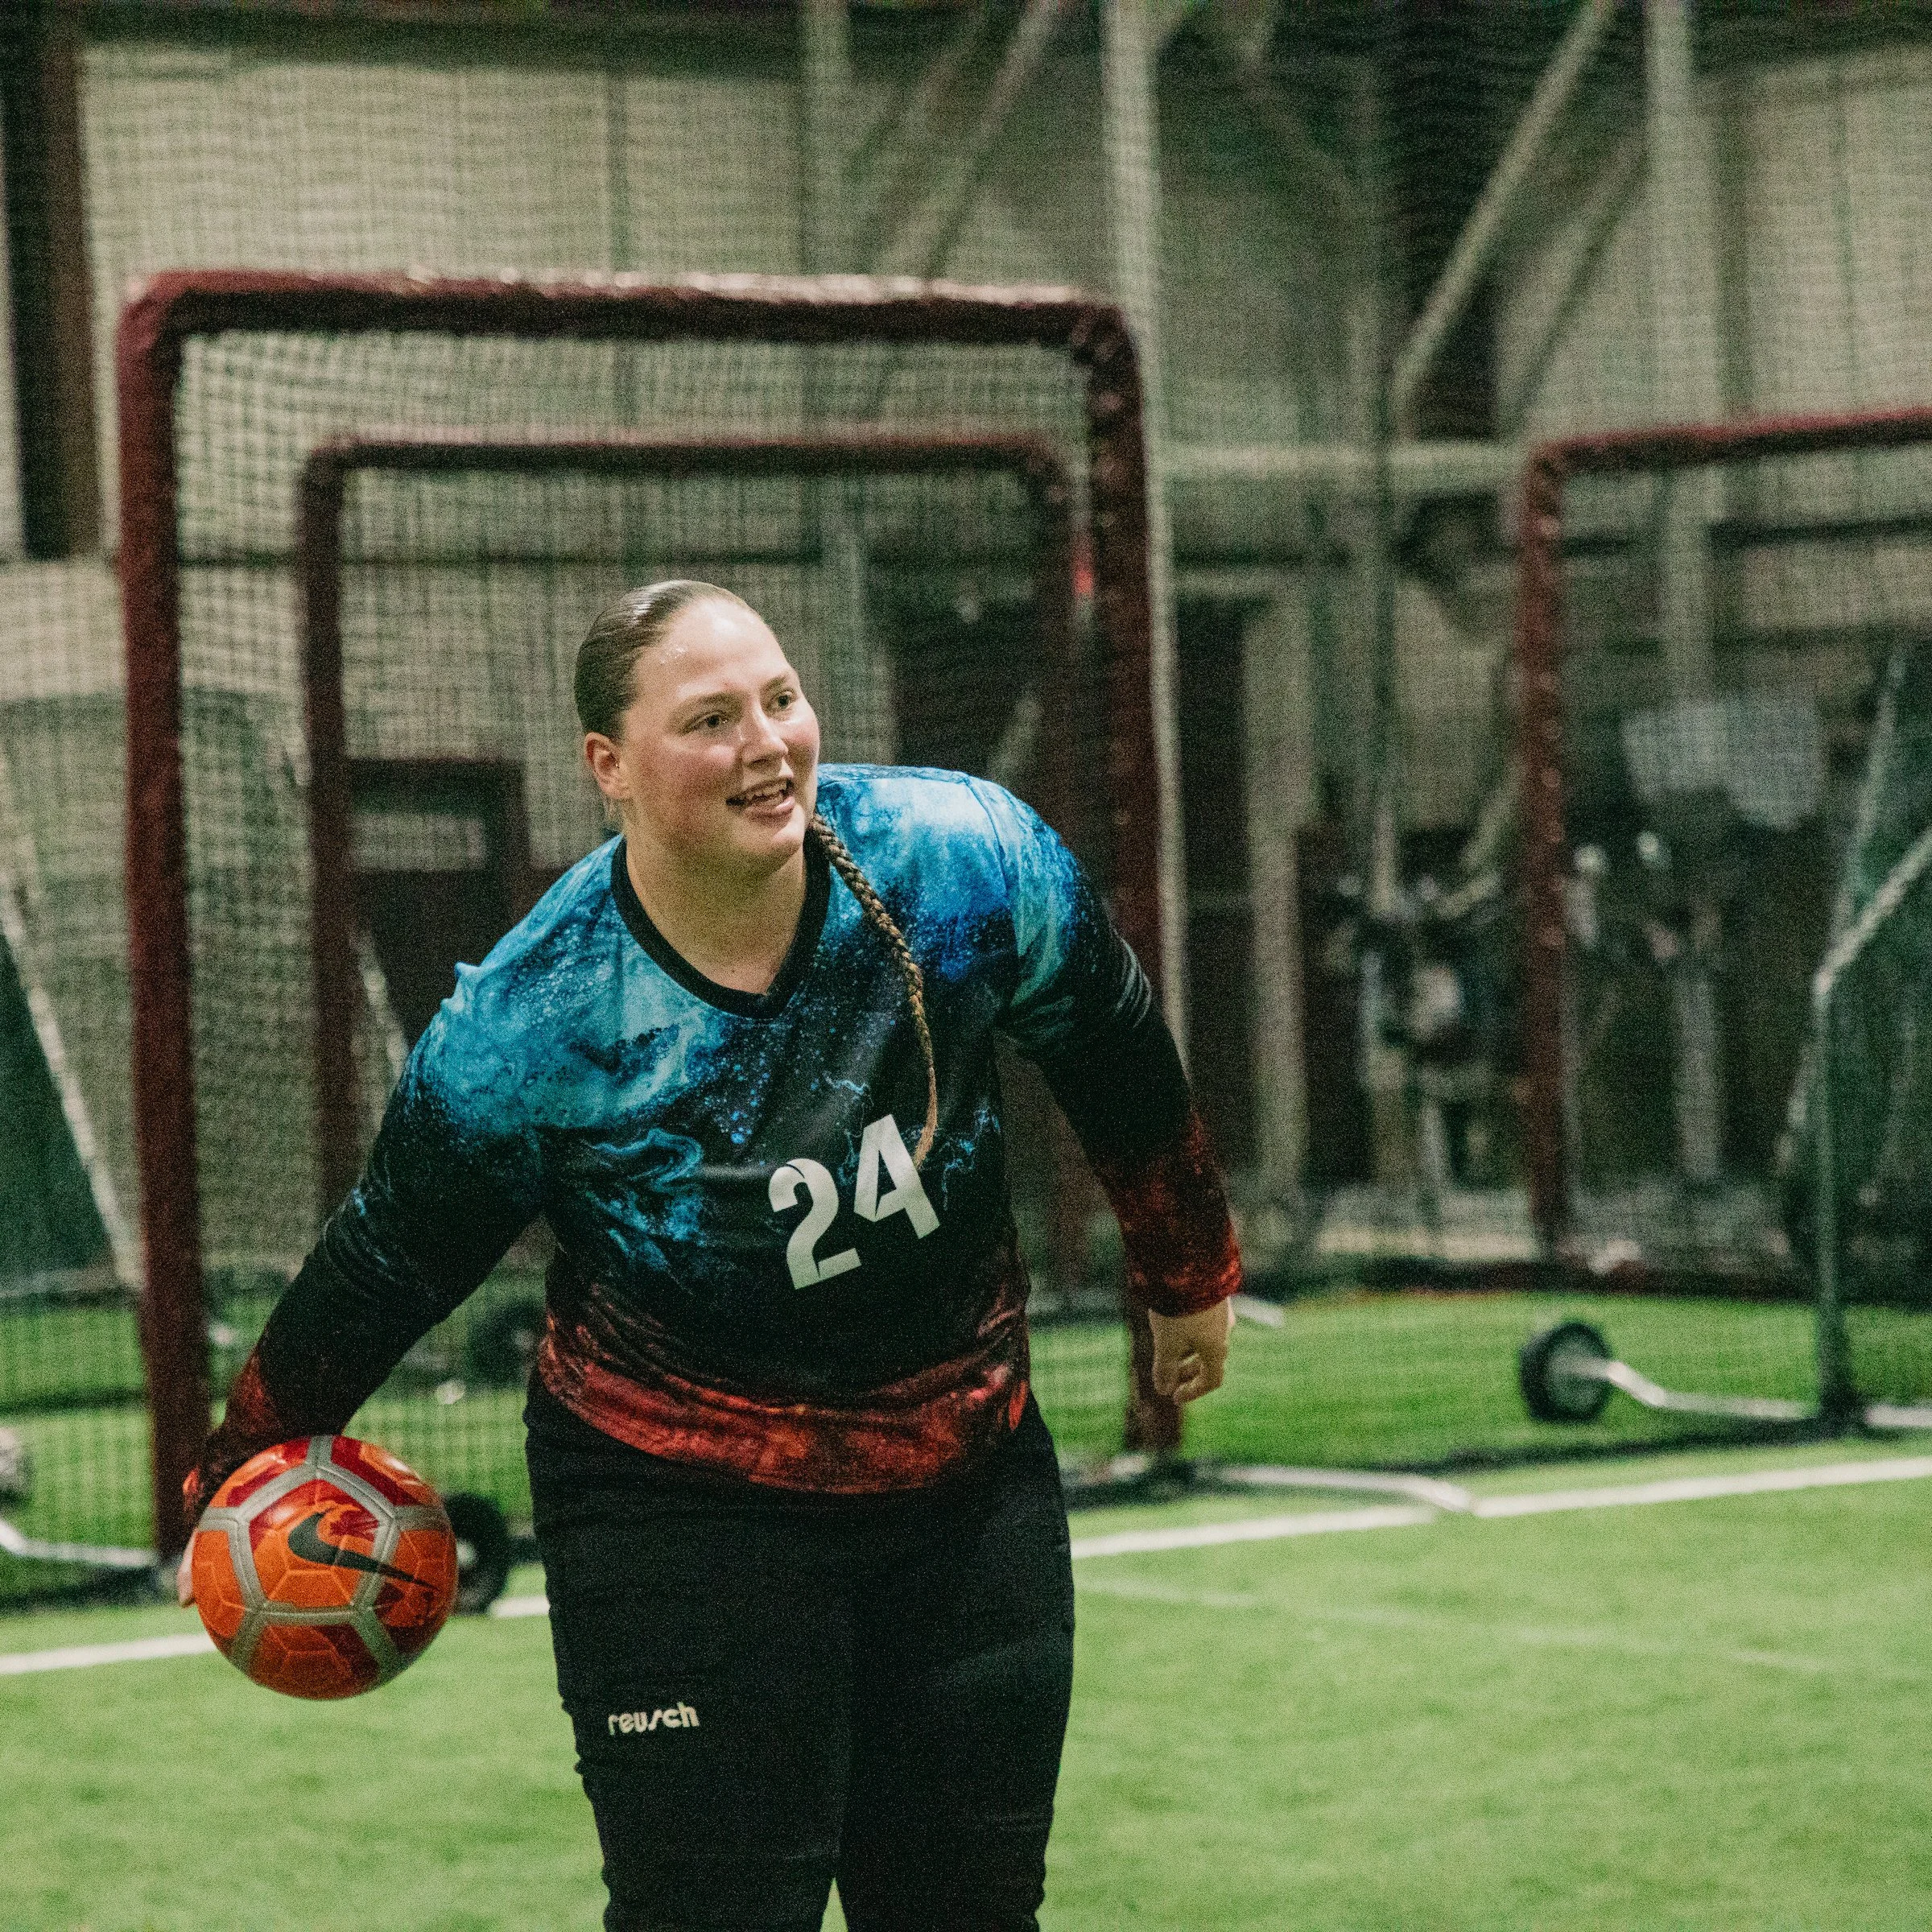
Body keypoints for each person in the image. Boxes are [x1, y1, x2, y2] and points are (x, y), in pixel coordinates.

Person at [180, 580, 1241, 1931]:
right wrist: (240, 1470)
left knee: (969, 1910)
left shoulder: (965, 857)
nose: (768, 742)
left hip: (967, 1465)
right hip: (674, 1493)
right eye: (710, 718)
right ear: (608, 769)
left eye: (782, 699)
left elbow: (1110, 1038)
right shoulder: (534, 1021)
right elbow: (390, 1258)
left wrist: (1186, 1263)